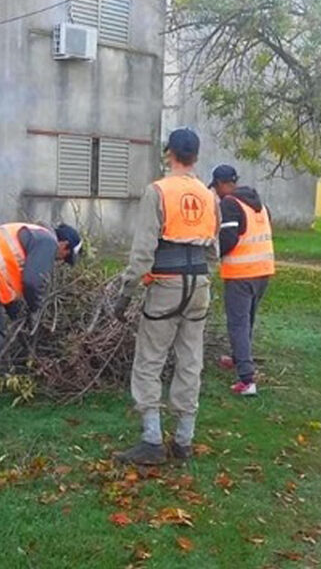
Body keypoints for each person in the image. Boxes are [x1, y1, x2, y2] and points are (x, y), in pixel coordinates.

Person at [111, 127, 220, 465]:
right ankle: (184, 440)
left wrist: (125, 293)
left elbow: (143, 253)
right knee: (190, 361)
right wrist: (203, 278)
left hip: (167, 285)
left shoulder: (157, 191)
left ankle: (152, 440)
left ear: (168, 153)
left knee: (150, 360)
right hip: (198, 284)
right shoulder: (208, 196)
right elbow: (214, 250)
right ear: (196, 157)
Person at [0, 223, 82, 379]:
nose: (59, 261)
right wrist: (36, 309)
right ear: (64, 245)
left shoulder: (36, 234)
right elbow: (32, 282)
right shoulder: (48, 242)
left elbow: (11, 280)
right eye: (65, 257)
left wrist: (17, 312)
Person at [210, 164, 275, 396]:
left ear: (221, 184)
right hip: (263, 270)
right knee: (247, 319)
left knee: (238, 323)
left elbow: (228, 238)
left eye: (216, 188)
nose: (216, 193)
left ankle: (247, 379)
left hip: (241, 273)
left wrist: (212, 252)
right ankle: (238, 358)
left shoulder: (230, 203)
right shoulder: (259, 204)